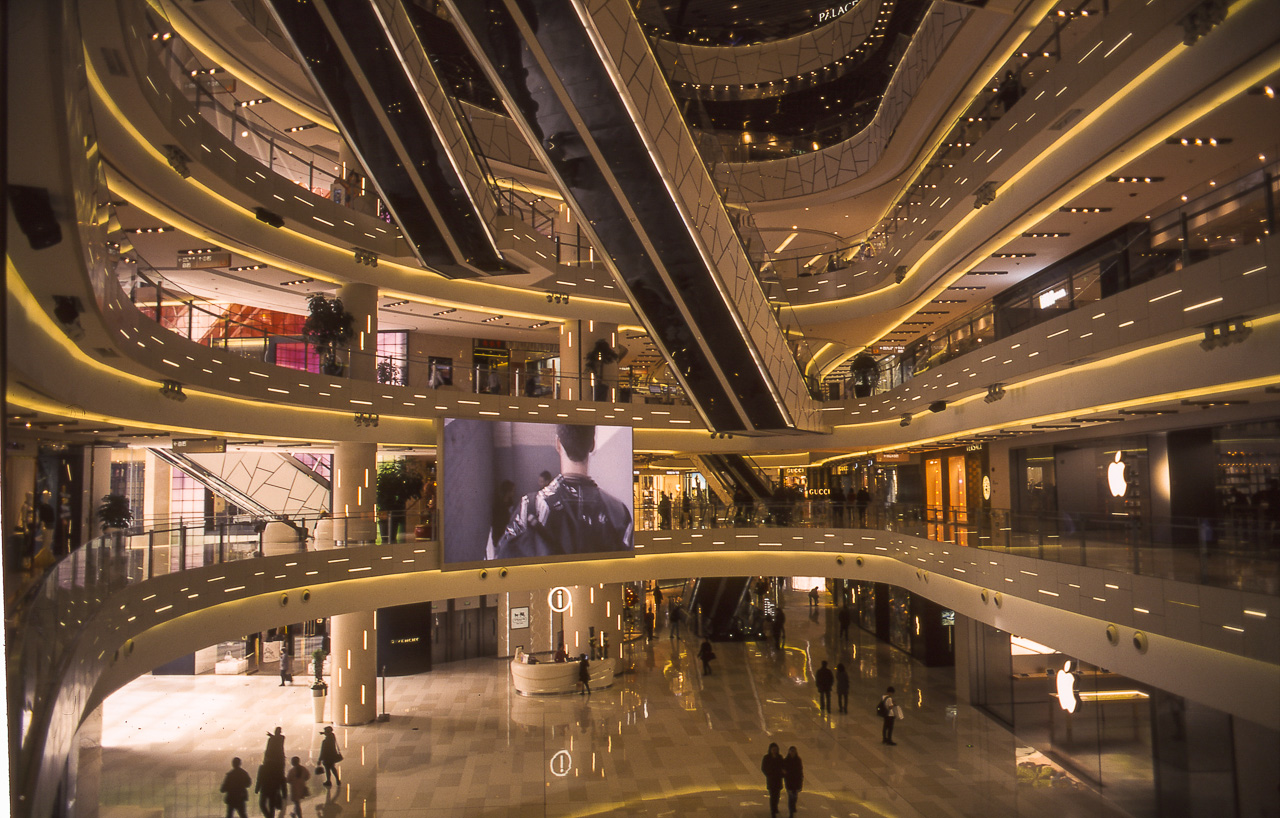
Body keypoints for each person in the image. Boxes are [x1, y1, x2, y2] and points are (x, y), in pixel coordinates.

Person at [495, 425, 633, 559]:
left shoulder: (529, 507)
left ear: (558, 444)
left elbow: (502, 565)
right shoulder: (619, 512)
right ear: (592, 444)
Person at [761, 742, 785, 818]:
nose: (774, 751)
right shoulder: (766, 758)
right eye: (773, 749)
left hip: (778, 779)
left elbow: (783, 767)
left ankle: (775, 807)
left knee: (777, 795)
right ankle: (773, 810)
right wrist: (768, 774)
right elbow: (763, 768)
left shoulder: (780, 757)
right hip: (771, 779)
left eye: (775, 749)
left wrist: (782, 774)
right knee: (772, 796)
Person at [783, 746, 804, 818]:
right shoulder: (786, 760)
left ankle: (793, 806)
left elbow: (800, 771)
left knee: (795, 796)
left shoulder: (798, 760)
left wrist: (801, 780)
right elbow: (784, 770)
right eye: (791, 751)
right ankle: (791, 811)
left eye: (793, 751)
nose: (792, 753)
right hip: (789, 781)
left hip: (796, 781)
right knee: (790, 797)